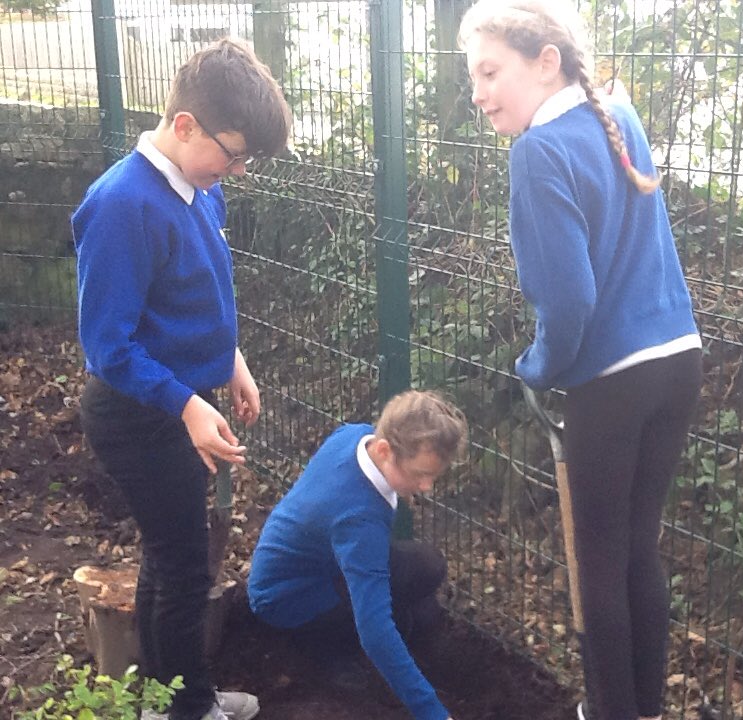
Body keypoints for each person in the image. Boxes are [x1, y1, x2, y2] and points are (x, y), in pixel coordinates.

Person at [459, 3, 703, 720]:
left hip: (613, 376)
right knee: (638, 549)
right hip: (678, 361)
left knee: (598, 560)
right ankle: (644, 710)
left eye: (490, 71)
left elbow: (567, 304)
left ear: (546, 62)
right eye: (473, 76)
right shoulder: (616, 114)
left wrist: (536, 368)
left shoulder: (538, 150)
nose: (478, 93)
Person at [73, 38, 292, 720]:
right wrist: (188, 406)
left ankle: (167, 698)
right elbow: (108, 346)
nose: (240, 169)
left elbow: (195, 296)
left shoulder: (199, 189)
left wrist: (233, 363)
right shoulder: (122, 205)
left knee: (169, 559)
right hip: (137, 415)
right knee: (184, 565)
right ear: (185, 126)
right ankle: (190, 708)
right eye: (235, 152)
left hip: (176, 404)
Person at [247, 390, 466, 720]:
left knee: (427, 566)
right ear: (384, 450)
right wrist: (433, 712)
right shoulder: (359, 521)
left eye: (433, 475)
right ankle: (329, 650)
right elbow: (375, 630)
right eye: (420, 473)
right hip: (285, 598)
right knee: (397, 623)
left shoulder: (356, 435)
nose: (427, 487)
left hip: (322, 560)